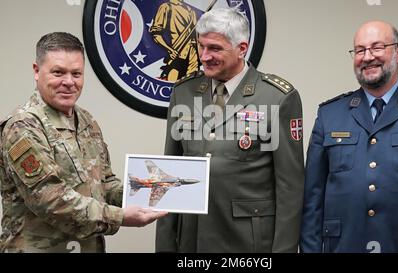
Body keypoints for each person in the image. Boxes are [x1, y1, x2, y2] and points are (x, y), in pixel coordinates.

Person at [0, 32, 167, 253]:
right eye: (58, 72)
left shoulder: (86, 121)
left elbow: (104, 183)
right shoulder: (23, 126)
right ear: (37, 71)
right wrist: (120, 216)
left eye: (76, 73)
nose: (69, 82)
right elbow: (49, 199)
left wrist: (151, 190)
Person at [156, 8, 304, 253]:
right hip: (193, 241)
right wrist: (164, 247)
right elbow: (169, 176)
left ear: (242, 49)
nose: (204, 56)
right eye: (201, 46)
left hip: (249, 242)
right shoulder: (183, 92)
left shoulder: (277, 97)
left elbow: (291, 188)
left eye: (214, 48)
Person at [300, 20, 398, 253]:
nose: (367, 57)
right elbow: (312, 200)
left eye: (377, 47)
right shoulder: (330, 114)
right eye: (360, 50)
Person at [149, 0, 200, 81]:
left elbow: (196, 33)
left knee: (193, 82)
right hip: (178, 52)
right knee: (172, 81)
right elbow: (156, 33)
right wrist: (170, 50)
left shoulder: (191, 10)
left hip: (193, 53)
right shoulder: (166, 7)